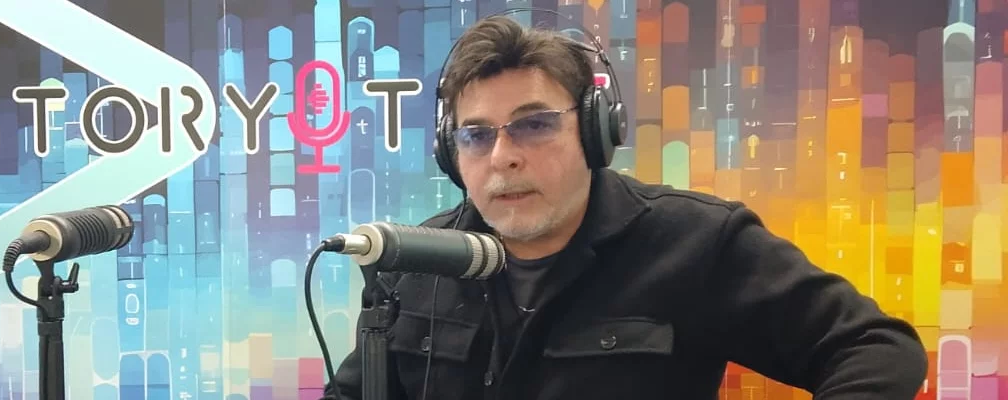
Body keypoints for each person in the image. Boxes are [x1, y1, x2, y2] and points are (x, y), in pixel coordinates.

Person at [322, 15, 927, 400]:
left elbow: (876, 349)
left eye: (533, 125)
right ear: (451, 154)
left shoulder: (698, 242)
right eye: (477, 135)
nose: (503, 157)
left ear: (594, 133)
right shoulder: (418, 261)